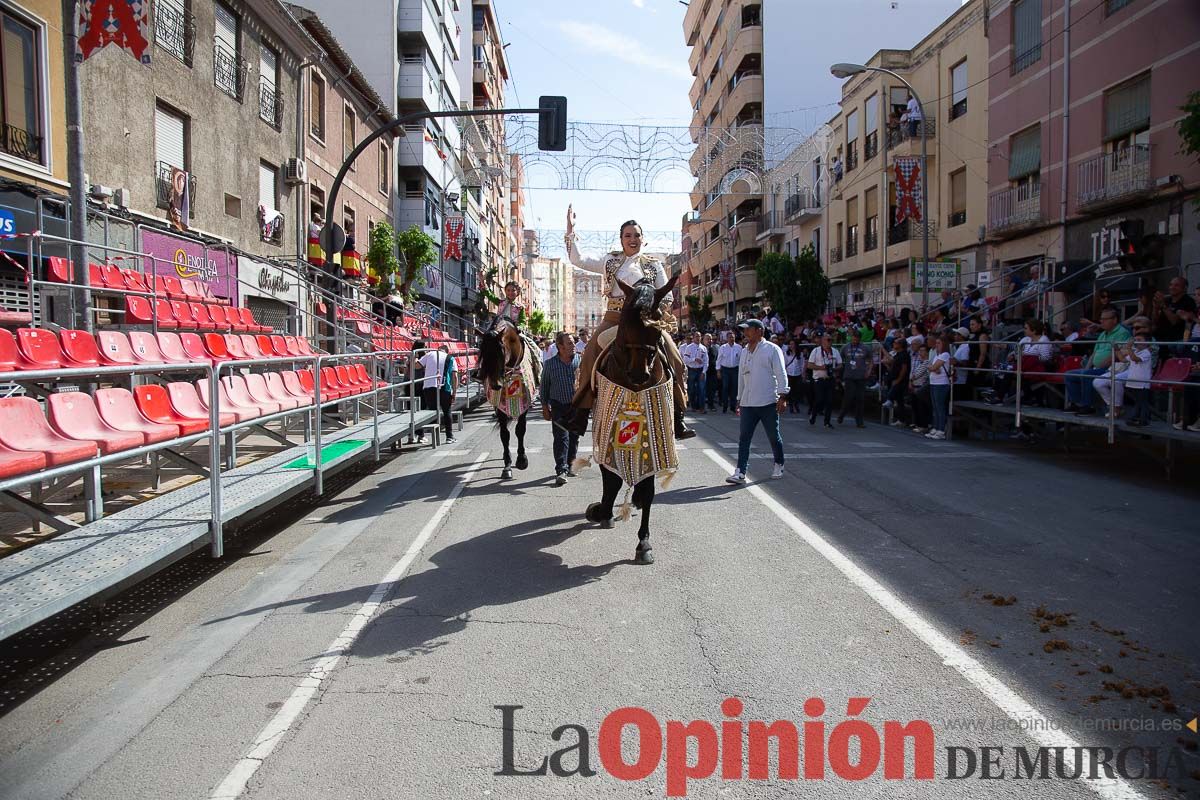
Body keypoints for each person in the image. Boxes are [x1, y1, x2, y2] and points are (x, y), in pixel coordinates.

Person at [564, 206, 692, 438]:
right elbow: (578, 259)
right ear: (621, 239)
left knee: (675, 356)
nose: (632, 239)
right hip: (614, 319)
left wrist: (655, 312)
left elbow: (668, 296)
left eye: (636, 235)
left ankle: (678, 415)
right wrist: (571, 230)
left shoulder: (654, 264)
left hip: (647, 321)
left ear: (643, 239)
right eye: (627, 235)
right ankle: (580, 413)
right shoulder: (610, 260)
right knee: (590, 353)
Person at [725, 319, 788, 485]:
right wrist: (739, 398)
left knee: (773, 436)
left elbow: (781, 373)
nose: (745, 333)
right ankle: (740, 471)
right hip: (748, 402)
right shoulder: (744, 351)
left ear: (759, 331)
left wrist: (782, 396)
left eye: (749, 330)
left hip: (768, 401)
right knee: (744, 438)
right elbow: (741, 376)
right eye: (744, 330)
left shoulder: (772, 349)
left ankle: (779, 463)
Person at [1066, 307, 1131, 416]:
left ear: (1114, 320)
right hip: (1097, 368)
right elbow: (1094, 353)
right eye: (1101, 319)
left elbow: (1118, 353)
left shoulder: (1122, 333)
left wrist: (1101, 365)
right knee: (1069, 374)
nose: (1101, 322)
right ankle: (1076, 404)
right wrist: (1087, 367)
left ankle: (1088, 406)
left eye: (1105, 319)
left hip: (1111, 368)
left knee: (1086, 375)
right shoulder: (1103, 334)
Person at [540, 331, 581, 485]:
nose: (573, 346)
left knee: (574, 436)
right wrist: (545, 407)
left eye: (573, 342)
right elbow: (544, 387)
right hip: (558, 406)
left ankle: (571, 464)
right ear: (560, 346)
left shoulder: (580, 361)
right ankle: (561, 469)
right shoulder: (550, 364)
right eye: (570, 343)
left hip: (576, 406)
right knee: (561, 438)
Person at [418, 342, 457, 444]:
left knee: (432, 412)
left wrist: (414, 357)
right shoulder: (450, 358)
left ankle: (434, 438)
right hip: (444, 387)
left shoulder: (430, 354)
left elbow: (417, 366)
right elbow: (455, 377)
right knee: (447, 411)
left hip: (428, 386)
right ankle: (449, 436)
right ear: (447, 351)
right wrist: (454, 393)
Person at [807, 333, 841, 428]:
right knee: (819, 399)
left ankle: (827, 421)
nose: (830, 342)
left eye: (831, 340)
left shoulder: (835, 351)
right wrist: (821, 367)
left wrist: (835, 368)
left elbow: (840, 364)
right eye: (828, 340)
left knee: (830, 401)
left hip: (830, 379)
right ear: (823, 341)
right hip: (819, 379)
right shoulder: (816, 351)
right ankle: (813, 414)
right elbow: (809, 365)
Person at [838, 329, 870, 427]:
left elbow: (871, 360)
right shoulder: (845, 348)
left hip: (861, 376)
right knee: (849, 397)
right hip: (849, 376)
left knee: (860, 399)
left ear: (859, 339)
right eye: (853, 338)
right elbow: (840, 359)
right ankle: (842, 414)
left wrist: (868, 371)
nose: (855, 340)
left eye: (857, 339)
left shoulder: (865, 348)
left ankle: (859, 421)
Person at [927, 335, 952, 440]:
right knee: (935, 407)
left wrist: (933, 368)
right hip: (933, 382)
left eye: (939, 343)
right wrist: (933, 368)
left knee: (940, 408)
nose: (936, 345)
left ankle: (941, 430)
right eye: (936, 343)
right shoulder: (937, 355)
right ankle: (936, 427)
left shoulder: (945, 354)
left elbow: (933, 367)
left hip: (941, 384)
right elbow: (931, 367)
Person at [680, 331, 709, 414]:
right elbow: (685, 360)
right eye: (696, 336)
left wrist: (704, 372)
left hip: (700, 370)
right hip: (692, 370)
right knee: (692, 390)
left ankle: (702, 408)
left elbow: (706, 361)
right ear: (693, 338)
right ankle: (693, 406)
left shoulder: (703, 348)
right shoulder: (689, 347)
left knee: (702, 390)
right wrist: (694, 359)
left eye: (699, 336)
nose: (698, 338)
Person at [716, 331, 743, 413]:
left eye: (733, 337)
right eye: (730, 337)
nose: (732, 339)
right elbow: (719, 359)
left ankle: (733, 406)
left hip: (735, 369)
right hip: (725, 370)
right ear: (727, 338)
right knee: (725, 387)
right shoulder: (723, 347)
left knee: (734, 388)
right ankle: (725, 405)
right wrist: (718, 371)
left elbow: (741, 360)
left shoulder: (739, 347)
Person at [785, 338, 806, 414]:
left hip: (797, 374)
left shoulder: (800, 354)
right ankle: (791, 406)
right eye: (790, 344)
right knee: (790, 391)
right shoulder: (786, 354)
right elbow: (784, 364)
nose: (791, 346)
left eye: (793, 344)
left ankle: (796, 405)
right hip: (789, 374)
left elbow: (802, 364)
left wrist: (803, 374)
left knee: (797, 391)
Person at [703, 333, 721, 411]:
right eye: (708, 339)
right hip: (703, 371)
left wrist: (718, 371)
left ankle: (711, 404)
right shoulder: (701, 348)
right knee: (702, 389)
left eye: (711, 339)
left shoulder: (716, 348)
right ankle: (700, 405)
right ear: (703, 340)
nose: (710, 341)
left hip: (713, 371)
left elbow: (718, 360)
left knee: (712, 389)